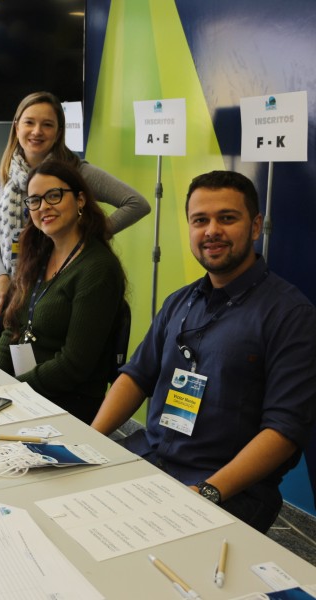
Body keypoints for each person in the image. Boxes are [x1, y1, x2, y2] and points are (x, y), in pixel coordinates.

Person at [91, 170, 316, 532]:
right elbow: (136, 375)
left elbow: (285, 431)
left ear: (256, 226)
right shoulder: (179, 302)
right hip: (149, 458)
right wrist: (90, 440)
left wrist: (206, 493)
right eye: (200, 220)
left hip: (225, 489)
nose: (211, 230)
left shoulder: (290, 315)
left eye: (227, 218)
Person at [0, 91, 149, 317]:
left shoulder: (77, 172)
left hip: (59, 297)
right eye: (29, 122)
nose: (37, 131)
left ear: (59, 133)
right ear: (17, 126)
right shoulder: (4, 176)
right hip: (14, 295)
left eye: (47, 125)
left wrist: (88, 237)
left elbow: (137, 203)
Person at [0, 160, 127, 424]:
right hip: (28, 392)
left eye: (53, 196)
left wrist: (13, 390)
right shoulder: (39, 256)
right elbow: (14, 330)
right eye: (35, 201)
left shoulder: (97, 269)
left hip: (67, 404)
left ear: (80, 200)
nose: (43, 207)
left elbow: (73, 365)